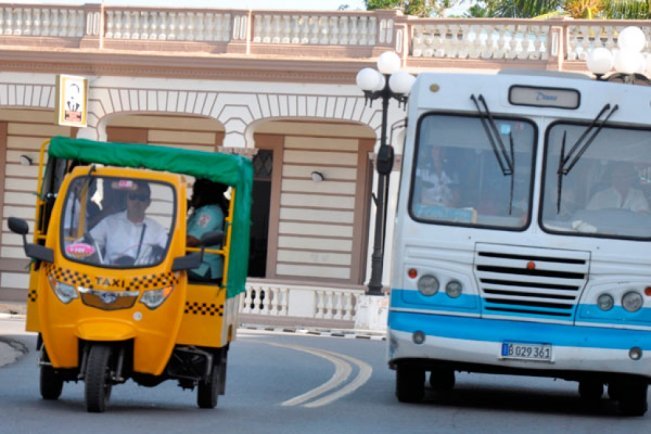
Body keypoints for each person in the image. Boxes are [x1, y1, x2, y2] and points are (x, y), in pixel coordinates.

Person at [89, 180, 167, 266]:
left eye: (142, 198)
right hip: (111, 276)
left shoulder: (158, 231)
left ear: (148, 202)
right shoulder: (109, 223)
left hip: (144, 277)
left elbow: (168, 257)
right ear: (126, 199)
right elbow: (88, 245)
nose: (137, 202)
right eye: (133, 196)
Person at [186, 179, 228, 281]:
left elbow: (192, 240)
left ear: (205, 194)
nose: (192, 196)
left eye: (195, 193)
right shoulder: (201, 211)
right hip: (193, 262)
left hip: (202, 267)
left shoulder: (209, 213)